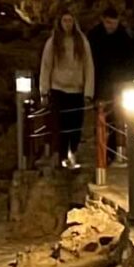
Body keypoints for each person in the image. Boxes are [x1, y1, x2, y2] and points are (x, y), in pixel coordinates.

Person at [36, 13, 94, 168]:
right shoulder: (53, 43)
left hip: (76, 89)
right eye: (64, 20)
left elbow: (88, 67)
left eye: (70, 20)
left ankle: (72, 152)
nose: (67, 24)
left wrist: (88, 91)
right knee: (60, 125)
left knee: (75, 125)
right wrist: (44, 90)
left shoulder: (82, 42)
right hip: (58, 89)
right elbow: (46, 66)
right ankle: (60, 155)